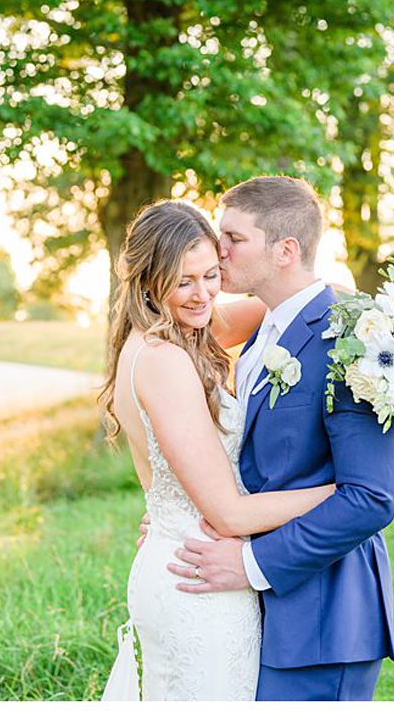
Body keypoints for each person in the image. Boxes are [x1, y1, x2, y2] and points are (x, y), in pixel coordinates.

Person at [167, 179, 394, 702]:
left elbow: (371, 497)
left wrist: (251, 566)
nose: (215, 248)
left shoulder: (353, 340)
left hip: (325, 618)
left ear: (285, 251)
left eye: (233, 237)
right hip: (265, 617)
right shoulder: (260, 332)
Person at [100, 198, 335, 701]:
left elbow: (320, 297)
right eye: (183, 281)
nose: (202, 293)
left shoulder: (187, 329)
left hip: (184, 557)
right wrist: (341, 493)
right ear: (148, 281)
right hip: (199, 578)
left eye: (211, 275)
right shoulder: (163, 359)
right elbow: (227, 514)